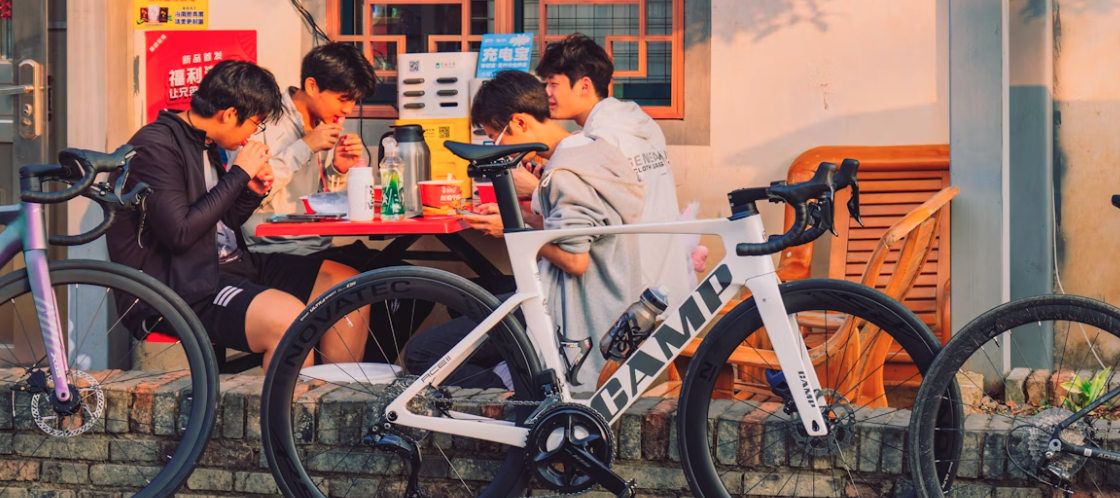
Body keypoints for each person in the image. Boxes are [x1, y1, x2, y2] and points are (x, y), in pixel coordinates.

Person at [105, 60, 367, 369]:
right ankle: (289, 415)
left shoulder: (205, 142)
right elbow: (180, 233)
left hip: (225, 265)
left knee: (347, 285)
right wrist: (238, 174)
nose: (252, 134)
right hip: (178, 285)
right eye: (255, 123)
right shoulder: (155, 147)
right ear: (229, 114)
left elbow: (223, 222)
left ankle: (334, 401)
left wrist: (251, 191)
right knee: (286, 319)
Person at [403, 70, 645, 390]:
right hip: (612, 299)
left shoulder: (564, 172)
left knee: (421, 352)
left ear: (519, 122)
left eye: (495, 137)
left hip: (572, 312)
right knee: (466, 305)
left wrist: (512, 229)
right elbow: (588, 233)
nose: (495, 146)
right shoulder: (595, 149)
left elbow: (576, 260)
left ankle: (516, 398)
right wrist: (527, 219)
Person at [468, 34, 695, 311]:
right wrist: (527, 214)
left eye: (553, 84)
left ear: (584, 85)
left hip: (627, 285)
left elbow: (586, 235)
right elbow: (599, 216)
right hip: (665, 268)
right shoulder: (637, 122)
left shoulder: (600, 142)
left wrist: (535, 192)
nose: (546, 93)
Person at [230, 42, 380, 270]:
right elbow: (245, 199)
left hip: (318, 246)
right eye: (343, 99)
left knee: (403, 276)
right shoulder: (263, 121)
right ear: (312, 86)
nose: (348, 109)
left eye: (354, 101)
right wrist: (304, 147)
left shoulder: (324, 124)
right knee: (376, 282)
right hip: (275, 252)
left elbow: (322, 206)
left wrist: (338, 171)